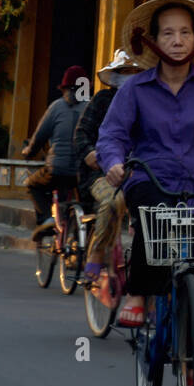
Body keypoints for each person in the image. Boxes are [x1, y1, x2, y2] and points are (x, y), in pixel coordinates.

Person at [96, 0, 194, 386]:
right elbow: (112, 135)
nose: (177, 40)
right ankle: (138, 293)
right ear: (153, 41)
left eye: (185, 32)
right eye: (168, 32)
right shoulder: (134, 90)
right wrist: (113, 162)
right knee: (154, 217)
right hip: (151, 179)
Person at [72, 49, 142, 284]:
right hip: (99, 174)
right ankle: (97, 250)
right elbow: (81, 134)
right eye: (126, 72)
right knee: (113, 200)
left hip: (138, 173)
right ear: (117, 74)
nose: (131, 76)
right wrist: (90, 152)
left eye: (136, 72)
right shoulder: (102, 101)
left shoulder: (148, 104)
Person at [24, 64, 88, 237]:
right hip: (82, 172)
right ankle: (86, 238)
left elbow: (39, 137)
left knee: (31, 184)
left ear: (64, 88)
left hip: (56, 170)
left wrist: (28, 152)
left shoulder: (56, 107)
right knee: (87, 203)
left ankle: (46, 218)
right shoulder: (91, 107)